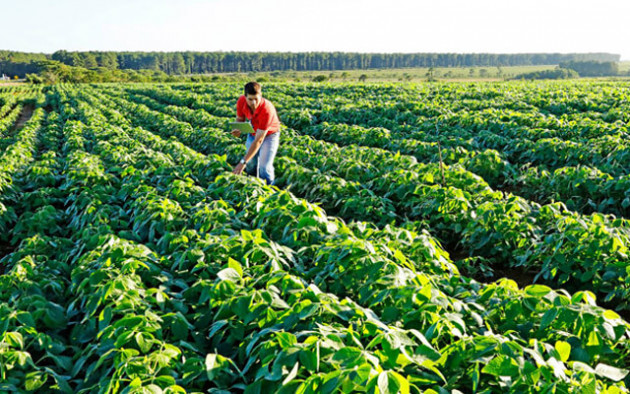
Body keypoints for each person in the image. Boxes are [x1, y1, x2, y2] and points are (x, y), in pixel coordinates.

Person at [231, 82, 281, 185]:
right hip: (253, 131)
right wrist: (237, 128)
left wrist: (242, 163)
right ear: (245, 97)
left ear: (261, 96)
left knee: (264, 167)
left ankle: (268, 190)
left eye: (256, 99)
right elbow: (240, 119)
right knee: (250, 164)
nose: (253, 102)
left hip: (270, 135)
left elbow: (259, 140)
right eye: (250, 99)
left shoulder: (267, 110)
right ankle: (251, 186)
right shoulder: (241, 102)